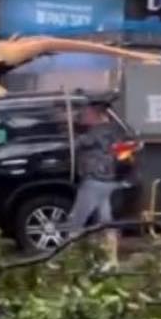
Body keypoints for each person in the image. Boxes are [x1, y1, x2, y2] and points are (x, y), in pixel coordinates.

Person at [63, 102, 125, 266]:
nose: (84, 115)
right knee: (105, 221)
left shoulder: (96, 133)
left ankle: (65, 258)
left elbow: (75, 145)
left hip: (94, 181)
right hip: (108, 179)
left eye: (87, 113)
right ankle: (112, 260)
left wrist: (68, 127)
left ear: (96, 115)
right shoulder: (114, 130)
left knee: (76, 220)